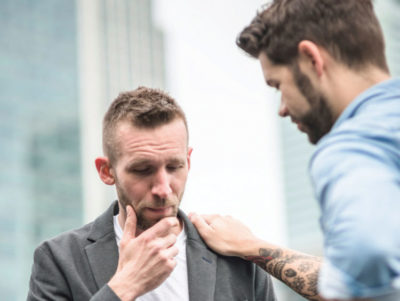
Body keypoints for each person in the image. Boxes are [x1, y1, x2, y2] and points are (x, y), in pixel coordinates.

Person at [190, 1, 400, 300]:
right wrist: (251, 245)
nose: (283, 108)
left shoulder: (351, 148)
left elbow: (368, 255)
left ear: (311, 59)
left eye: (278, 84)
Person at [27, 87, 276, 301]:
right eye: (143, 170)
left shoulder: (238, 257)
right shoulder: (58, 260)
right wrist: (124, 287)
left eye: (174, 167)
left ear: (188, 161)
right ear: (106, 171)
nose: (163, 188)